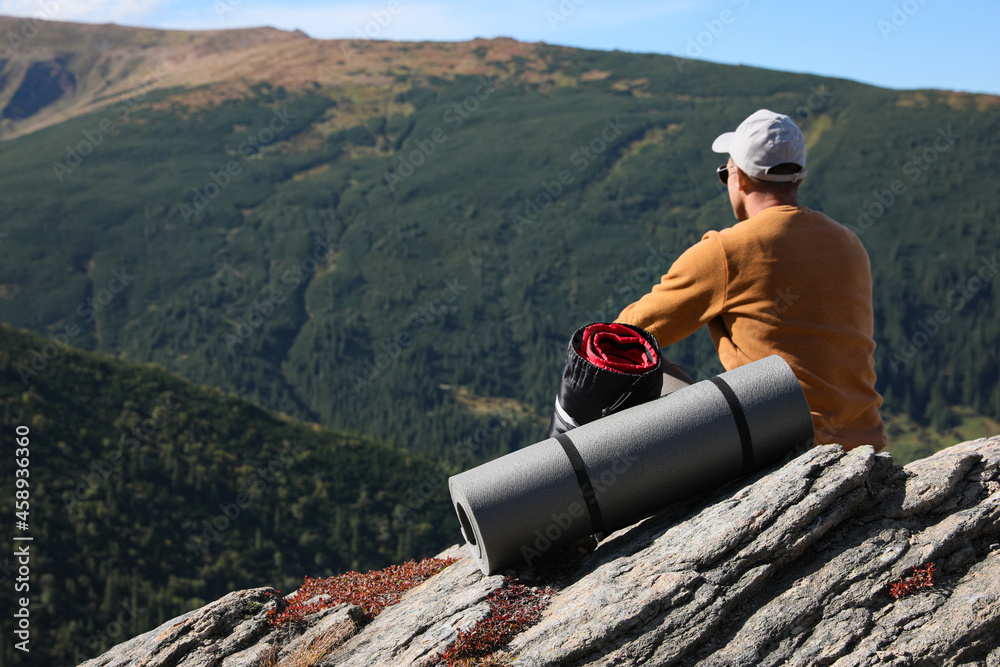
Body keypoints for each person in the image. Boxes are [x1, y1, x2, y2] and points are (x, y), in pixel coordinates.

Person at [615, 109, 886, 451]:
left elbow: (627, 332)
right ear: (798, 179)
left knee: (639, 367)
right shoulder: (848, 242)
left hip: (785, 448)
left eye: (724, 172)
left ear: (738, 178)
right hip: (866, 444)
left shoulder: (727, 251)